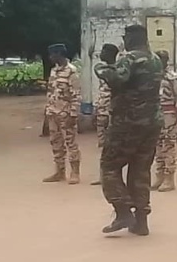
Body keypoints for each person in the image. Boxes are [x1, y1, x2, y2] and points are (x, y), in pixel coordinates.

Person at [96, 25, 163, 235]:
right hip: (151, 123)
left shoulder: (130, 58)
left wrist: (102, 66)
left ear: (132, 38)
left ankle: (123, 211)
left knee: (109, 166)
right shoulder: (155, 60)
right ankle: (141, 221)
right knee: (140, 170)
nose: (124, 41)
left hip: (128, 123)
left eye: (125, 37)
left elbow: (117, 79)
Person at [42, 43, 82, 185]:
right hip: (53, 113)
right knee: (56, 143)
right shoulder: (54, 71)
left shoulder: (71, 71)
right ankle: (59, 171)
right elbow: (51, 92)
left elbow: (76, 95)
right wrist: (48, 110)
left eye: (52, 54)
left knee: (71, 143)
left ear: (59, 54)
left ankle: (75, 172)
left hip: (66, 114)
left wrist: (73, 114)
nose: (50, 57)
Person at [152, 50, 177, 192]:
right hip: (155, 115)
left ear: (166, 61)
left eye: (161, 59)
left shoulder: (172, 78)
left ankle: (169, 178)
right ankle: (159, 176)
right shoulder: (152, 76)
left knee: (168, 145)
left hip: (169, 115)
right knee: (158, 146)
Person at [91, 44, 119, 186]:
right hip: (102, 113)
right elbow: (101, 92)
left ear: (110, 54)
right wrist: (96, 109)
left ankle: (113, 177)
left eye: (103, 51)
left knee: (114, 147)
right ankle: (103, 176)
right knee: (102, 146)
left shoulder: (118, 72)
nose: (100, 54)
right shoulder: (104, 71)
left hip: (112, 115)